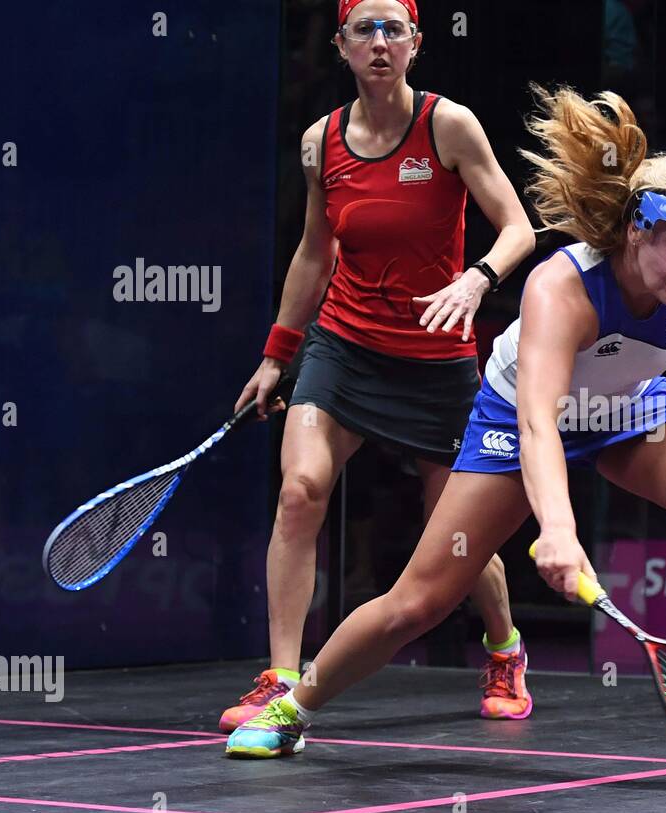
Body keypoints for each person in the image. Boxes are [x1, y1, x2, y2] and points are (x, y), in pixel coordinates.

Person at [226, 85, 666, 786]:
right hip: (521, 415)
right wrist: (556, 528)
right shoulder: (561, 288)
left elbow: (643, 349)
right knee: (420, 601)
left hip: (627, 405)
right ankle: (297, 703)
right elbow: (537, 421)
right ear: (636, 230)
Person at [221, 0, 537, 731]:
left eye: (395, 29)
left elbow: (519, 227)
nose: (380, 42)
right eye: (364, 29)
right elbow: (314, 252)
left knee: (456, 535)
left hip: (436, 360)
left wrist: (478, 278)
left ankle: (503, 645)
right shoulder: (318, 142)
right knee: (300, 490)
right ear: (341, 46)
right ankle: (282, 677)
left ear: (417, 44)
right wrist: (278, 353)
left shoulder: (448, 125)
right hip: (344, 346)